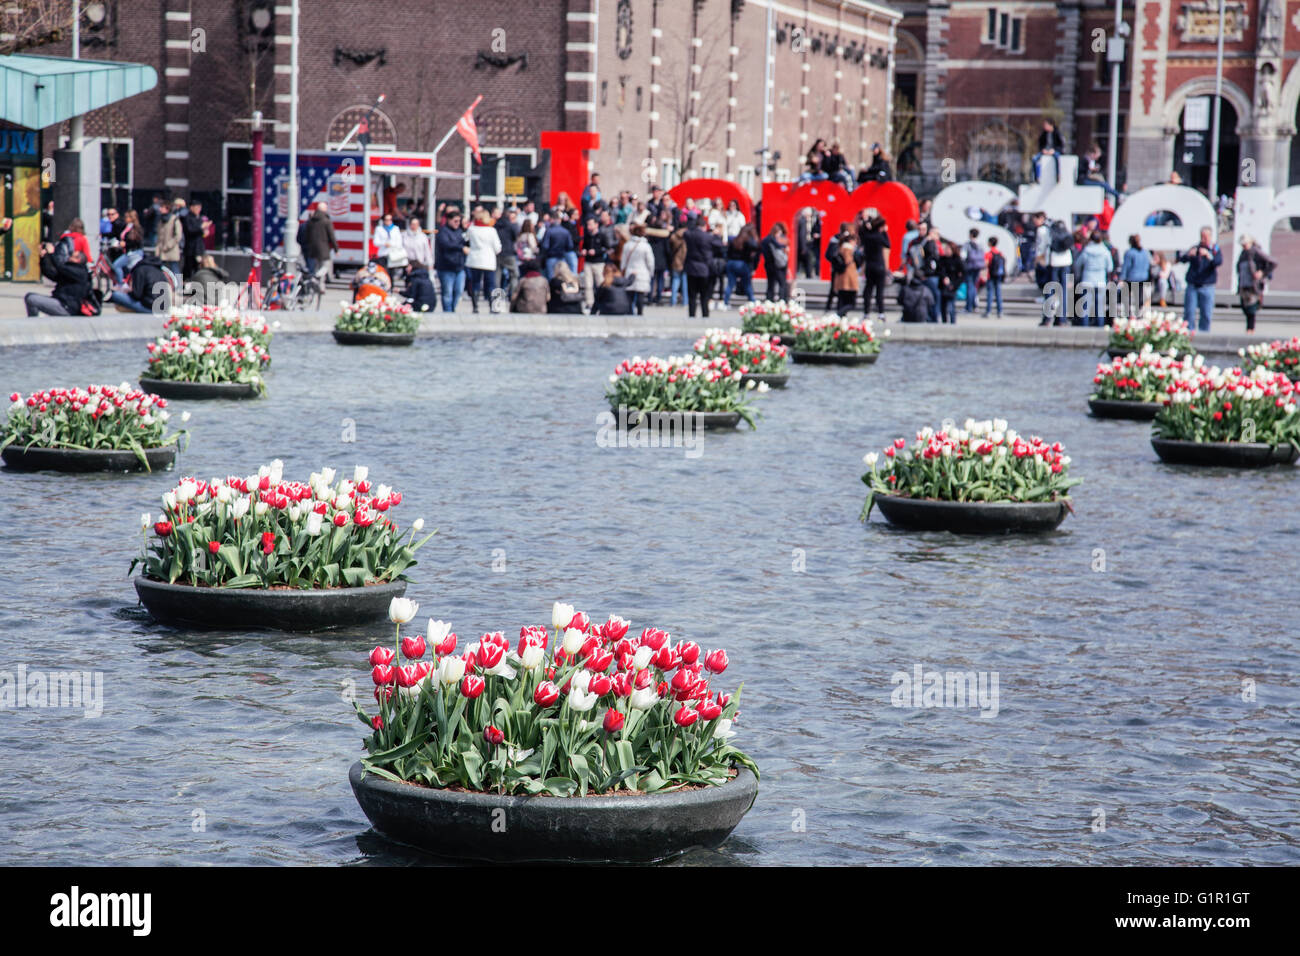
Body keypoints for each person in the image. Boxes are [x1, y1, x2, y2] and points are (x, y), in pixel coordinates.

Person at [1177, 226, 1222, 332]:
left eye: (1206, 237)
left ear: (1210, 237)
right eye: (1202, 237)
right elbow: (1182, 259)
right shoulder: (1195, 248)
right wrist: (1189, 255)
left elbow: (1218, 262)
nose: (1203, 239)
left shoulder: (1214, 249)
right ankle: (1188, 334)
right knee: (1189, 312)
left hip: (1207, 285)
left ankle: (1204, 335)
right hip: (1193, 285)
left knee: (1206, 313)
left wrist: (1208, 255)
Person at [27, 244, 92, 316]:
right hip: (60, 302)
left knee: (31, 299)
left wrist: (52, 253)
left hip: (67, 307)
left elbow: (60, 267)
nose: (69, 257)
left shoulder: (80, 272)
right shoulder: (70, 270)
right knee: (30, 296)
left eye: (71, 256)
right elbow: (51, 274)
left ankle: (33, 324)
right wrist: (43, 258)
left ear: (78, 260)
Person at [1236, 235, 1276, 334]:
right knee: (1244, 307)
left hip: (1253, 285)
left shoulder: (1255, 252)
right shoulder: (1243, 254)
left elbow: (1272, 262)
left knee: (1251, 308)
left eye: (1245, 244)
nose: (1244, 246)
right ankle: (1249, 329)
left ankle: (1250, 329)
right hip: (1244, 284)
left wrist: (1262, 272)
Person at [684, 216, 722, 318]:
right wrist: (716, 234)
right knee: (704, 296)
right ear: (704, 226)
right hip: (704, 269)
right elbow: (719, 244)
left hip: (691, 268)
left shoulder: (689, 235)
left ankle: (692, 316)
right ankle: (705, 316)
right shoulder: (708, 237)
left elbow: (685, 232)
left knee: (692, 296)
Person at [465, 208, 501, 314]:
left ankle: (475, 306)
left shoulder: (472, 229)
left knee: (475, 283)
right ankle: (492, 306)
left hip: (474, 259)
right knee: (490, 284)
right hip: (488, 260)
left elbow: (466, 240)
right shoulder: (491, 231)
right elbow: (497, 247)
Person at [1075, 232, 1112, 327]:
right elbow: (1110, 267)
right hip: (1100, 282)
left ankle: (1084, 329)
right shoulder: (1105, 251)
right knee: (1099, 308)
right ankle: (1099, 328)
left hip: (1087, 280)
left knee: (1085, 307)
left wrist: (1078, 276)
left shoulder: (1086, 251)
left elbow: (1078, 264)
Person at [434, 210, 467, 312]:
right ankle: (448, 312)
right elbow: (446, 244)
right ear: (448, 220)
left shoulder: (460, 232)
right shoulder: (443, 231)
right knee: (447, 293)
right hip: (446, 267)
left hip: (459, 267)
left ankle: (453, 309)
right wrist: (461, 248)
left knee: (458, 291)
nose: (457, 223)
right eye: (455, 221)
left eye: (459, 221)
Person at [858, 216, 890, 322]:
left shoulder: (868, 236)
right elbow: (887, 244)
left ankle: (866, 313)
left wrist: (867, 224)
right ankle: (881, 313)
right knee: (879, 291)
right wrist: (885, 232)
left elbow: (861, 232)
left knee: (868, 290)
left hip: (870, 266)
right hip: (879, 266)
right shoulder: (879, 236)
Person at [620, 223, 655, 315]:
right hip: (642, 272)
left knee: (629, 296)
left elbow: (623, 261)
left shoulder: (627, 245)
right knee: (640, 295)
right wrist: (651, 272)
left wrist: (623, 270)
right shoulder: (646, 246)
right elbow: (650, 261)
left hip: (630, 272)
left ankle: (630, 312)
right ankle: (640, 313)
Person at [723, 223, 760, 308]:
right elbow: (755, 250)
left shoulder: (734, 240)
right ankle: (752, 300)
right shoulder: (748, 242)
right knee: (747, 284)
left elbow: (727, 253)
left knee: (730, 284)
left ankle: (725, 302)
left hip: (731, 263)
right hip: (742, 263)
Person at [303, 202, 339, 280]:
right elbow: (331, 236)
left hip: (312, 250)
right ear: (324, 209)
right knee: (325, 267)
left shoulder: (310, 221)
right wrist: (336, 249)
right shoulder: (326, 221)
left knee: (313, 269)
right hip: (323, 250)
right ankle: (319, 282)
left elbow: (306, 236)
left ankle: (314, 286)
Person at [831, 226, 862, 318]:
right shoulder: (848, 249)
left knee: (842, 300)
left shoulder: (840, 247)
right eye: (854, 241)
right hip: (849, 279)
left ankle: (840, 317)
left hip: (841, 278)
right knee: (852, 303)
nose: (855, 243)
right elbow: (848, 261)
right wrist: (855, 254)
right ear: (851, 241)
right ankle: (838, 315)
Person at [580, 215, 610, 308]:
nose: (588, 227)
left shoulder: (602, 236)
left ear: (596, 225)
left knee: (600, 283)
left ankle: (601, 301)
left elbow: (607, 248)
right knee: (588, 284)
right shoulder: (587, 236)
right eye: (588, 224)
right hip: (588, 262)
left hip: (599, 262)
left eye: (590, 224)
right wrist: (584, 250)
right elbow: (584, 246)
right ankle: (590, 302)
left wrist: (597, 251)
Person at [1118, 234, 1152, 314]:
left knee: (1126, 296)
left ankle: (1128, 314)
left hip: (1132, 277)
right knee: (1139, 298)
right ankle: (1138, 314)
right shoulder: (1145, 252)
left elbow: (1126, 266)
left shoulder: (1129, 253)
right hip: (1143, 277)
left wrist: (1121, 278)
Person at [761, 222, 791, 303]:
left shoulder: (765, 240)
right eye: (779, 233)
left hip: (767, 264)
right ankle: (782, 300)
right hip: (776, 265)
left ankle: (769, 300)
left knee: (770, 284)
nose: (779, 236)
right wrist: (785, 247)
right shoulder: (771, 239)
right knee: (782, 283)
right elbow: (778, 246)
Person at [539, 212, 574, 278]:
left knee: (551, 278)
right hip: (562, 257)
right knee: (562, 277)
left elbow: (545, 246)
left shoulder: (549, 231)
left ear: (552, 219)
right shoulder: (565, 231)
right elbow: (570, 246)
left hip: (551, 257)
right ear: (559, 220)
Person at [494, 207, 521, 297]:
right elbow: (516, 237)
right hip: (509, 253)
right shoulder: (511, 225)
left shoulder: (496, 226)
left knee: (497, 276)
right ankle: (513, 295)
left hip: (498, 253)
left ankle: (496, 297)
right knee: (514, 275)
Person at [936, 240, 964, 324]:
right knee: (943, 307)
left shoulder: (957, 260)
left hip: (952, 286)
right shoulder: (942, 259)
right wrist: (943, 277)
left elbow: (962, 274)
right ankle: (944, 322)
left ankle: (953, 323)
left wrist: (954, 284)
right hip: (942, 286)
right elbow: (938, 271)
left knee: (951, 307)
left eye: (948, 249)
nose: (946, 250)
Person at [156, 201, 183, 277]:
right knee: (162, 269)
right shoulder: (161, 220)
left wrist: (169, 245)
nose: (160, 209)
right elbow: (159, 236)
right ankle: (163, 285)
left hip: (171, 249)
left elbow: (178, 235)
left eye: (162, 207)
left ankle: (179, 287)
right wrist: (158, 249)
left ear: (167, 209)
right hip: (162, 249)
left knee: (175, 268)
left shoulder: (174, 219)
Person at [181, 199, 206, 280]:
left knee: (198, 269)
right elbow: (189, 231)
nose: (199, 209)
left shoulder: (199, 218)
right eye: (197, 207)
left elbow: (200, 233)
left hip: (198, 248)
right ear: (191, 207)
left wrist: (204, 231)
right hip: (190, 249)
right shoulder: (187, 218)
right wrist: (201, 228)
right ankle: (184, 283)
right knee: (188, 268)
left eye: (200, 208)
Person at [983, 236, 1006, 318]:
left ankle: (988, 311)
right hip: (999, 275)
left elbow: (985, 265)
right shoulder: (1000, 253)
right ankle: (1000, 311)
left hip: (991, 275)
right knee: (998, 294)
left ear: (989, 243)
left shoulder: (988, 254)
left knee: (990, 293)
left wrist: (984, 275)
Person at [962, 228, 984, 313]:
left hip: (969, 267)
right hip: (977, 267)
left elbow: (963, 256)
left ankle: (969, 306)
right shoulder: (980, 245)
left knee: (970, 287)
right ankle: (975, 305)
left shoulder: (967, 245)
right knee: (974, 286)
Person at [1035, 119, 1064, 183]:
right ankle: (1036, 178)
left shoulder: (1057, 133)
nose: (1044, 126)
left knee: (1057, 158)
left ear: (1051, 125)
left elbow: (1061, 145)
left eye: (1046, 125)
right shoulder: (1044, 134)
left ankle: (1057, 175)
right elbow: (1040, 144)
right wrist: (1043, 149)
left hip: (1054, 151)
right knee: (1035, 159)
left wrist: (1054, 150)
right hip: (1046, 151)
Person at [668, 218, 688, 307]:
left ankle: (673, 301)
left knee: (675, 281)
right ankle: (685, 302)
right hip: (685, 261)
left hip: (676, 261)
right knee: (685, 283)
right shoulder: (688, 235)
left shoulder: (674, 236)